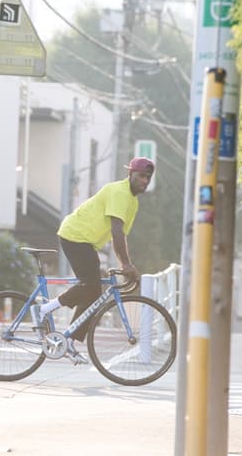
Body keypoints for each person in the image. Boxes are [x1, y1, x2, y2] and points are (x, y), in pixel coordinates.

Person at [30, 156, 155, 364]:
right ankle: (43, 309)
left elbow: (121, 235)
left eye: (148, 178)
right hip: (75, 236)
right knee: (90, 286)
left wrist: (127, 263)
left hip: (86, 242)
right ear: (130, 174)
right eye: (141, 176)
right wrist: (126, 265)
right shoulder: (119, 192)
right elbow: (116, 230)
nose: (145, 181)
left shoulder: (132, 202)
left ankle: (69, 342)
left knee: (94, 293)